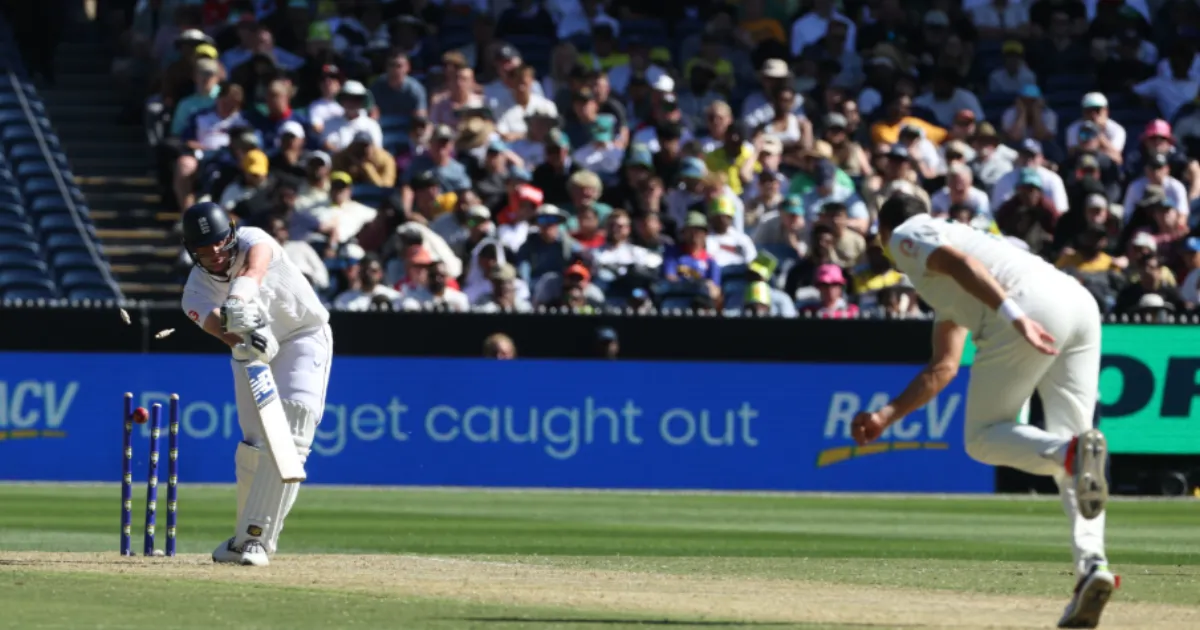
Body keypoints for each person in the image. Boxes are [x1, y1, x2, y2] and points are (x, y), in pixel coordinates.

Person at [855, 194, 1113, 629]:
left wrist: (1014, 316)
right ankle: (1093, 566)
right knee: (1078, 459)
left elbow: (958, 263)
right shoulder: (948, 280)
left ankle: (1068, 453)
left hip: (1027, 305)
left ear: (884, 232)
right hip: (1078, 303)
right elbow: (943, 368)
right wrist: (887, 415)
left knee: (983, 438)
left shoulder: (906, 234)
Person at [178, 202, 333, 568]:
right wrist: (245, 338)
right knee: (255, 447)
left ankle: (256, 539)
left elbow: (255, 268)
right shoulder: (193, 295)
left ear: (230, 233)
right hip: (251, 351)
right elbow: (224, 332)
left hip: (304, 336)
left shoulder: (255, 239)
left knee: (292, 434)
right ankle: (243, 537)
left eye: (219, 242)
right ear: (191, 250)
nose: (214, 253)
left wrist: (236, 301)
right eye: (203, 248)